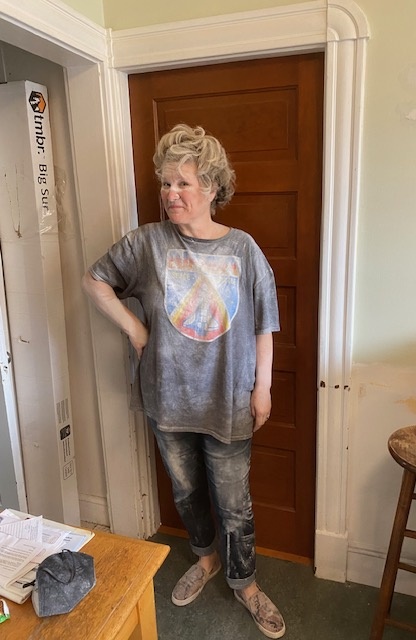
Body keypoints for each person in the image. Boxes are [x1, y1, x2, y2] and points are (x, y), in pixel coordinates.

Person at [82, 124, 285, 639]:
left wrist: (263, 387)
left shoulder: (243, 249)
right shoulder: (147, 243)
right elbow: (95, 280)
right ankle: (206, 558)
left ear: (211, 188)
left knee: (234, 501)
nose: (171, 193)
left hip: (229, 399)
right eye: (166, 183)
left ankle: (246, 583)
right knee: (188, 491)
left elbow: (264, 324)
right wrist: (135, 329)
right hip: (168, 398)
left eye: (183, 183)